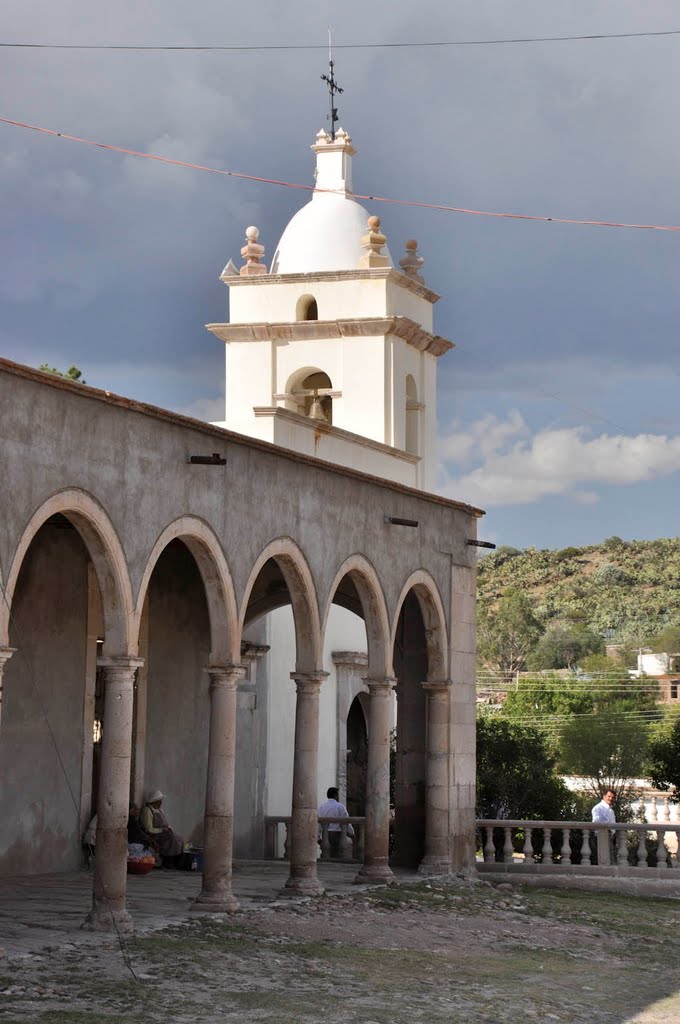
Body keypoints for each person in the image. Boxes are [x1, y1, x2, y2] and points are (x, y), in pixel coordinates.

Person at [140, 790, 184, 867]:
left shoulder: (160, 810)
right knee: (171, 838)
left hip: (164, 832)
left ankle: (175, 860)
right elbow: (148, 829)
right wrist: (162, 830)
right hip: (154, 835)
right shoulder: (147, 810)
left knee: (179, 839)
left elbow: (165, 823)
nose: (161, 803)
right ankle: (168, 860)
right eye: (159, 801)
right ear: (154, 801)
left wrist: (168, 828)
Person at [317, 786, 354, 858]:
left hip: (325, 834)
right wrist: (351, 833)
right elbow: (346, 821)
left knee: (326, 854)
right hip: (337, 834)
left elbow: (318, 822)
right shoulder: (340, 807)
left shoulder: (321, 807)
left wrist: (318, 836)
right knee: (337, 854)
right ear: (335, 795)